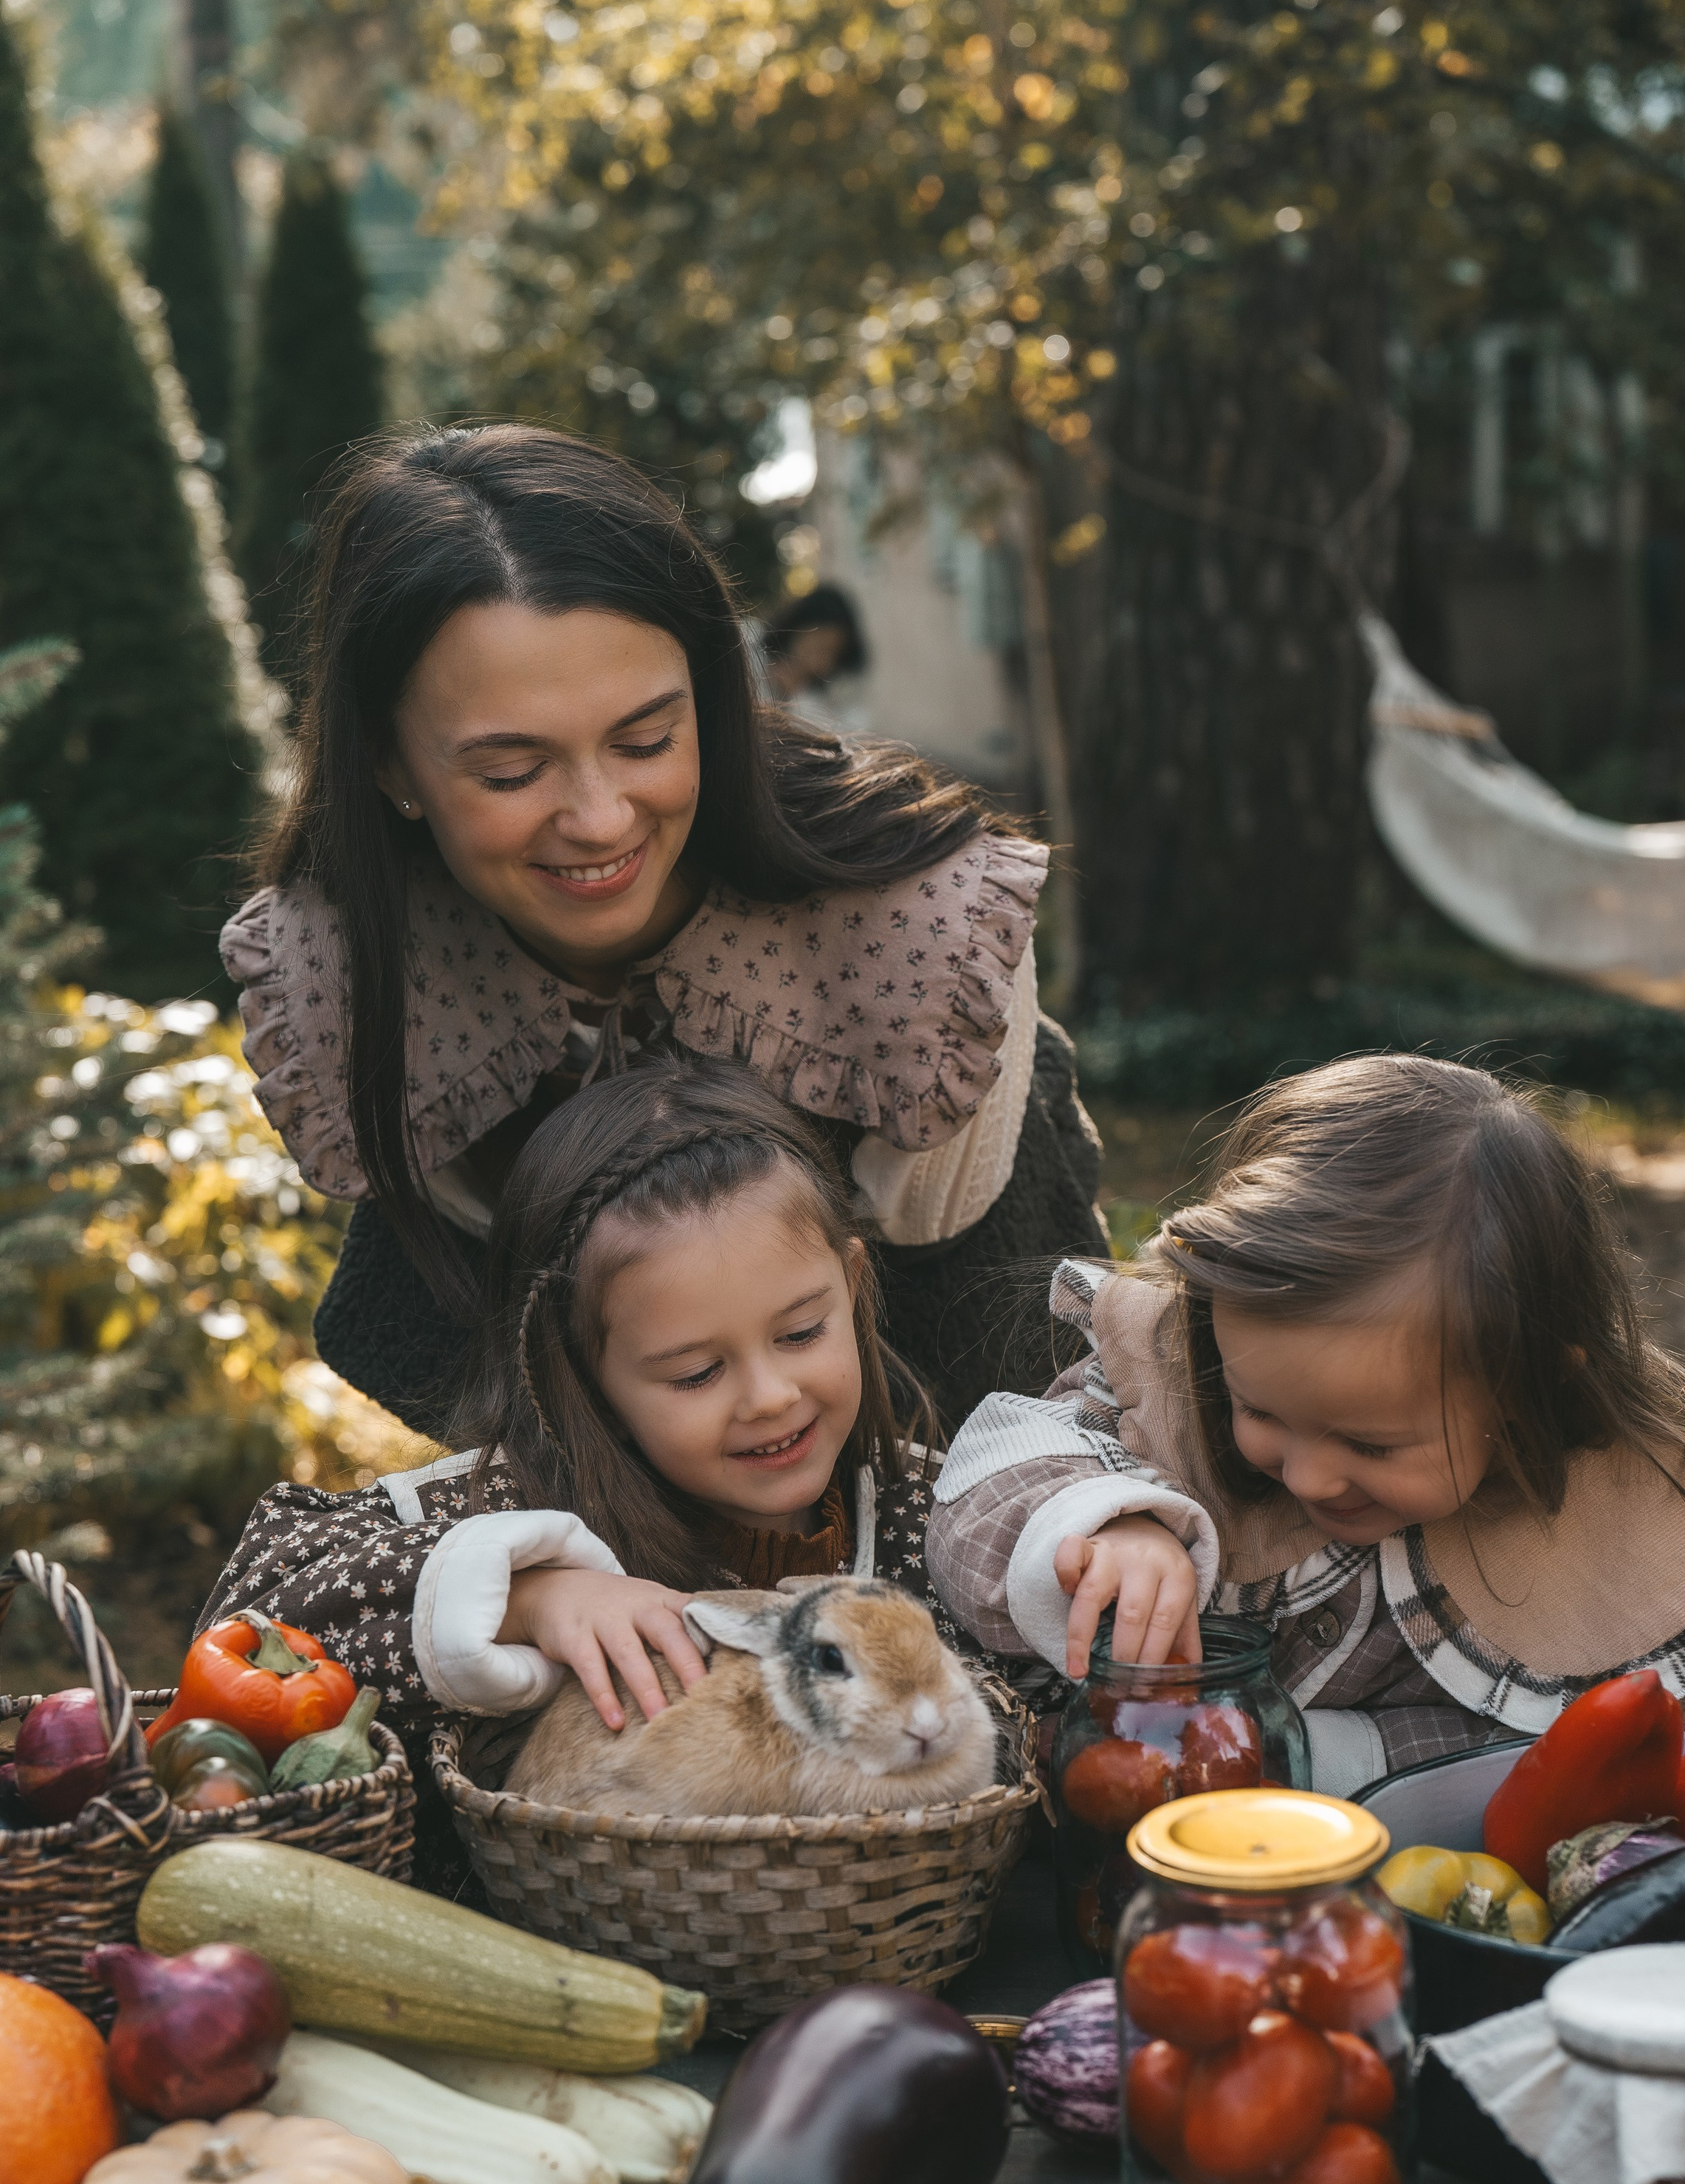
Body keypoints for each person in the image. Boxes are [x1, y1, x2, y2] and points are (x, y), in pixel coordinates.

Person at [221, 426, 1104, 1439]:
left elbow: (1004, 1358)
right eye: (512, 772)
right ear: (389, 767)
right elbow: (476, 1368)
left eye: (646, 741)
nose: (601, 821)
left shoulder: (918, 933)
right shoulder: (342, 973)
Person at [925, 1054, 1685, 1796]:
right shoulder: (1165, 1384)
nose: (1308, 1476)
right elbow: (982, 1492)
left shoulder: (1632, 1523)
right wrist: (1105, 1522)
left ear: (1524, 1394)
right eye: (1260, 1411)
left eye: (1370, 1444)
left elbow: (1637, 1749)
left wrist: (1305, 1757)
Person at [204, 1059, 966, 1760]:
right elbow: (247, 1619)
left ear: (851, 1286)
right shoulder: (516, 1512)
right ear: (582, 1374)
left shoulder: (941, 1516)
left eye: (801, 1333)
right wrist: (528, 1599)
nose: (771, 1396)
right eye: (697, 1373)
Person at [757, 582, 867, 709]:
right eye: (822, 646)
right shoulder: (751, 651)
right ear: (799, 627)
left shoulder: (818, 705)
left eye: (834, 654)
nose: (824, 661)